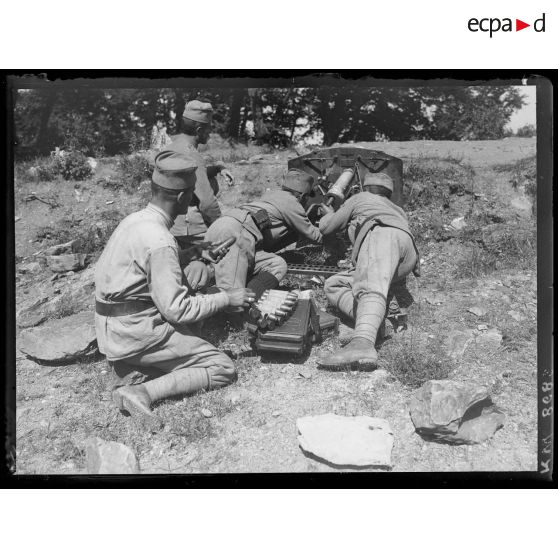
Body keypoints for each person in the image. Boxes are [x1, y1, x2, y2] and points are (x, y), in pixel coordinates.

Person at [94, 149, 255, 431]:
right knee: (222, 368)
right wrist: (228, 298)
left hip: (111, 326)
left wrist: (191, 253)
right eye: (192, 192)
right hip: (134, 332)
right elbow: (178, 309)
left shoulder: (135, 221)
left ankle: (141, 365)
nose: (193, 198)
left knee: (196, 287)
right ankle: (141, 392)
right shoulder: (161, 241)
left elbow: (138, 271)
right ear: (182, 196)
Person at [316, 172, 420, 369]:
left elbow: (327, 228)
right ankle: (376, 322)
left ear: (365, 188)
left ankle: (362, 343)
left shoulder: (360, 198)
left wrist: (328, 213)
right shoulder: (397, 208)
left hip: (383, 236)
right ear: (388, 193)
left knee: (370, 287)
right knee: (334, 284)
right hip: (406, 256)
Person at [204, 168, 323, 301]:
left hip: (222, 226)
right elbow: (314, 236)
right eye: (307, 198)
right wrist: (332, 221)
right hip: (237, 234)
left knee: (277, 264)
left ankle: (250, 298)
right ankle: (233, 314)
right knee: (232, 296)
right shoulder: (292, 203)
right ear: (302, 196)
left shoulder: (271, 195)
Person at [165, 100, 234, 243]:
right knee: (236, 243)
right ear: (198, 131)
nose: (210, 133)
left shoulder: (173, 148)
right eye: (208, 129)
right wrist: (222, 227)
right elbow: (207, 203)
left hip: (171, 225)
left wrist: (217, 168)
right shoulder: (192, 155)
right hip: (191, 230)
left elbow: (186, 178)